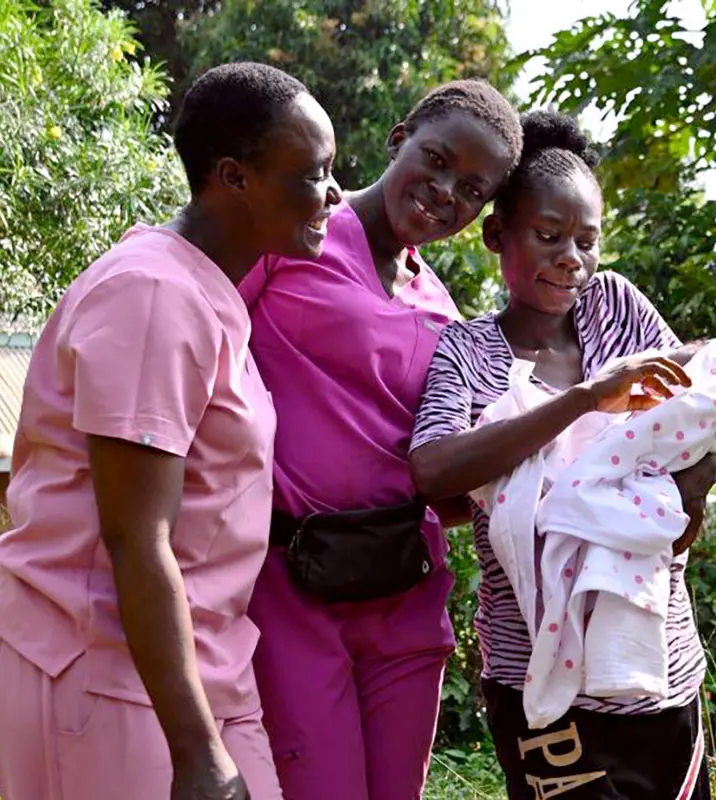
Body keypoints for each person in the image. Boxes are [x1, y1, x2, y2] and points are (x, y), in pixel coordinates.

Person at [0, 62, 341, 800]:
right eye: (314, 173)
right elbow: (134, 536)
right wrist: (196, 751)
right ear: (234, 176)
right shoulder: (153, 296)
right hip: (104, 675)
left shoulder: (202, 290)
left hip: (193, 666)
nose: (334, 195)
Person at [410, 110, 716, 800]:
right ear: (498, 235)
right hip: (542, 691)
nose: (572, 259)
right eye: (549, 236)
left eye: (587, 242)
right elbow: (434, 471)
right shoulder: (466, 352)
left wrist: (686, 495)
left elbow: (709, 417)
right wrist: (586, 399)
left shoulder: (614, 308)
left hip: (662, 674)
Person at [238, 79, 523, 799]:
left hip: (404, 584)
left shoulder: (440, 305)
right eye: (435, 160)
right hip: (289, 579)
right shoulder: (292, 234)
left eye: (471, 190)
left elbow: (456, 458)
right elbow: (192, 343)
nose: (443, 192)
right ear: (398, 138)